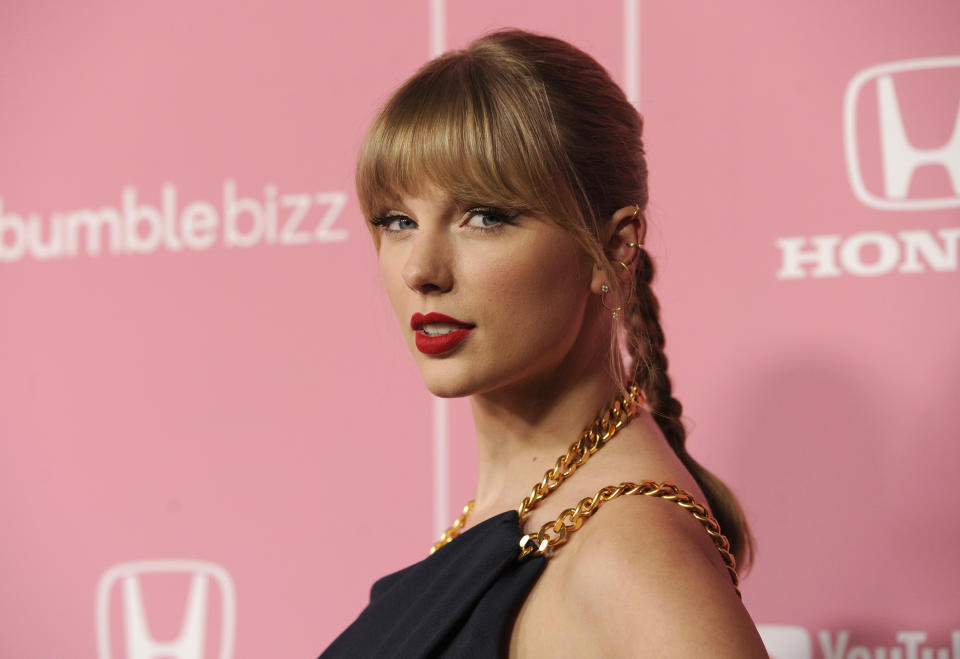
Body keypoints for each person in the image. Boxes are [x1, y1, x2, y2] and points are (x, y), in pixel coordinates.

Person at [320, 28, 769, 658]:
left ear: (614, 249)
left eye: (485, 216)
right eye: (398, 221)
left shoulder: (628, 554)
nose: (421, 269)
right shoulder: (526, 520)